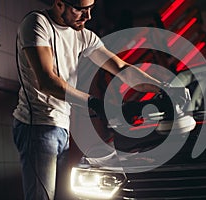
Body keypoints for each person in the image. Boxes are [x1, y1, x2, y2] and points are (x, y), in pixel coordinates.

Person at [12, 0, 190, 199]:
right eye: (80, 10)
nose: (87, 17)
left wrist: (165, 88)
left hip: (60, 124)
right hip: (36, 125)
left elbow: (121, 69)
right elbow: (47, 81)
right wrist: (95, 103)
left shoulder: (83, 35)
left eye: (90, 9)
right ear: (59, 4)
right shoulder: (37, 24)